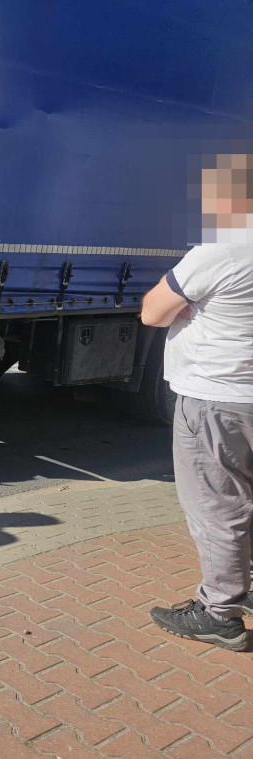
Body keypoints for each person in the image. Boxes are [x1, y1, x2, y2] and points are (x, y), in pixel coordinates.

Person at [142, 152, 253, 652]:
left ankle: (219, 612)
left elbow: (153, 311)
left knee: (217, 506)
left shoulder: (224, 248)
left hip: (216, 397)